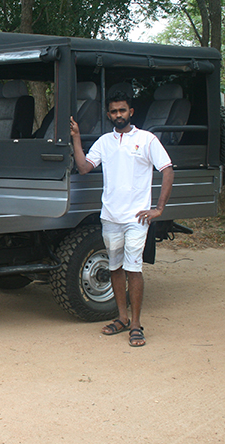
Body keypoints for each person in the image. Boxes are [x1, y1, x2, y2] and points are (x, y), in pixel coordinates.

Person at [69, 87, 174, 347]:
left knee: (133, 269)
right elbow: (83, 168)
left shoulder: (147, 139)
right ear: (109, 114)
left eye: (122, 110)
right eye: (114, 111)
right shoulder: (104, 142)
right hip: (110, 217)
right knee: (114, 267)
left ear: (131, 112)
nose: (118, 115)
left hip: (137, 218)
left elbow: (167, 169)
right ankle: (122, 318)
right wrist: (76, 138)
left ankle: (136, 325)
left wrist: (158, 208)